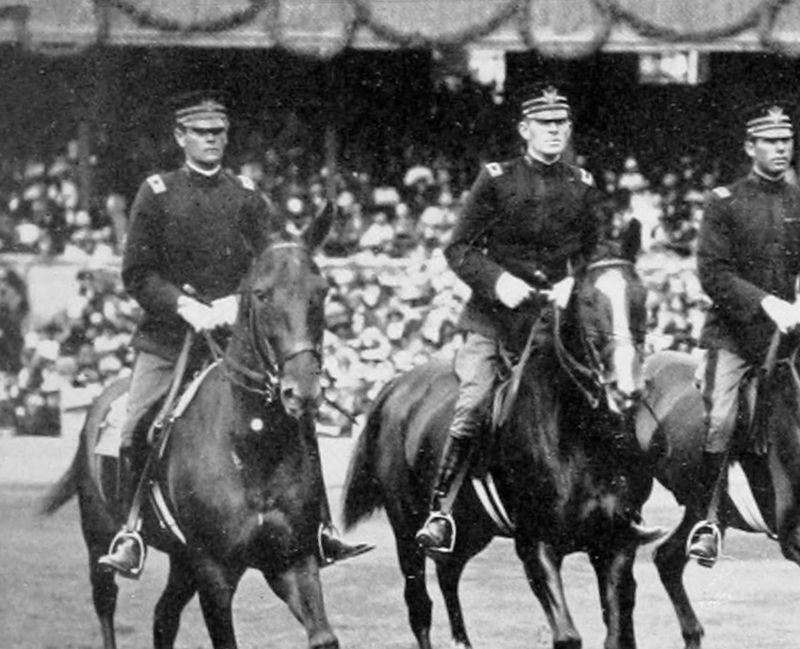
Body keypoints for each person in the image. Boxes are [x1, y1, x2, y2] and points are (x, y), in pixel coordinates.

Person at [99, 90, 366, 578]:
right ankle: (132, 529)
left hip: (237, 342)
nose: (211, 141)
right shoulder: (155, 193)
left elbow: (265, 267)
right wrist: (186, 307)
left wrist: (235, 302)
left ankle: (320, 528)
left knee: (298, 415)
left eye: (218, 133)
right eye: (201, 133)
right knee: (137, 422)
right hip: (169, 338)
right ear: (181, 137)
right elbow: (137, 273)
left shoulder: (246, 194)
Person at [415, 83, 661, 553]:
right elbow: (459, 248)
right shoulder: (495, 179)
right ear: (525, 129)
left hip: (558, 323)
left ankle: (622, 508)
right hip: (496, 320)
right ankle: (442, 511)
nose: (553, 132)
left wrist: (577, 281)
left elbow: (593, 249)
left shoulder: (582, 184)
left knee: (611, 395)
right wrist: (499, 283)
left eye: (560, 125)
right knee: (473, 401)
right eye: (543, 124)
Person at [687, 103, 800, 567]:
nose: (780, 149)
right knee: (721, 419)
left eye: (786, 141)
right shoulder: (724, 201)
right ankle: (708, 519)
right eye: (770, 142)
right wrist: (765, 303)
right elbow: (712, 271)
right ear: (750, 147)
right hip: (733, 335)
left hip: (789, 333)